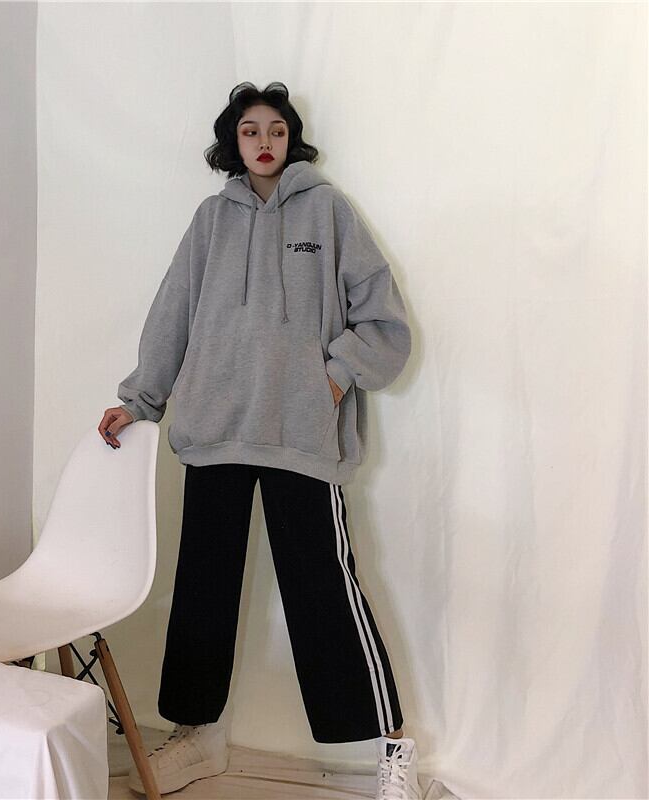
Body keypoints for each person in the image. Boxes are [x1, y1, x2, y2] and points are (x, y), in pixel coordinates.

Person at [98, 81, 421, 800]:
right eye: (250, 131)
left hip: (298, 432)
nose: (264, 141)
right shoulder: (211, 220)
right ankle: (198, 736)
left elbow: (383, 320)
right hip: (216, 429)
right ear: (233, 142)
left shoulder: (328, 211)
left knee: (324, 589)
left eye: (276, 129)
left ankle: (390, 746)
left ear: (291, 139)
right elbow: (173, 313)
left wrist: (333, 378)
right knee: (201, 589)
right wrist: (140, 400)